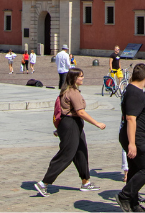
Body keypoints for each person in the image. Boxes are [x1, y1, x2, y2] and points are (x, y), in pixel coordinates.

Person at [33, 67, 105, 196]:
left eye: (83, 75)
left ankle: (85, 182)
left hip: (73, 125)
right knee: (66, 155)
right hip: (71, 124)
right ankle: (44, 183)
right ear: (74, 78)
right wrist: (97, 123)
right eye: (80, 76)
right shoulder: (72, 92)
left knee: (81, 152)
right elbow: (80, 112)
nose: (82, 78)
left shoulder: (69, 90)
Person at [118, 63, 145, 213]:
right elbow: (131, 118)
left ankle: (134, 205)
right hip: (136, 138)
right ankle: (124, 195)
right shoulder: (134, 93)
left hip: (137, 136)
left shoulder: (132, 90)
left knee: (135, 169)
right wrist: (132, 143)